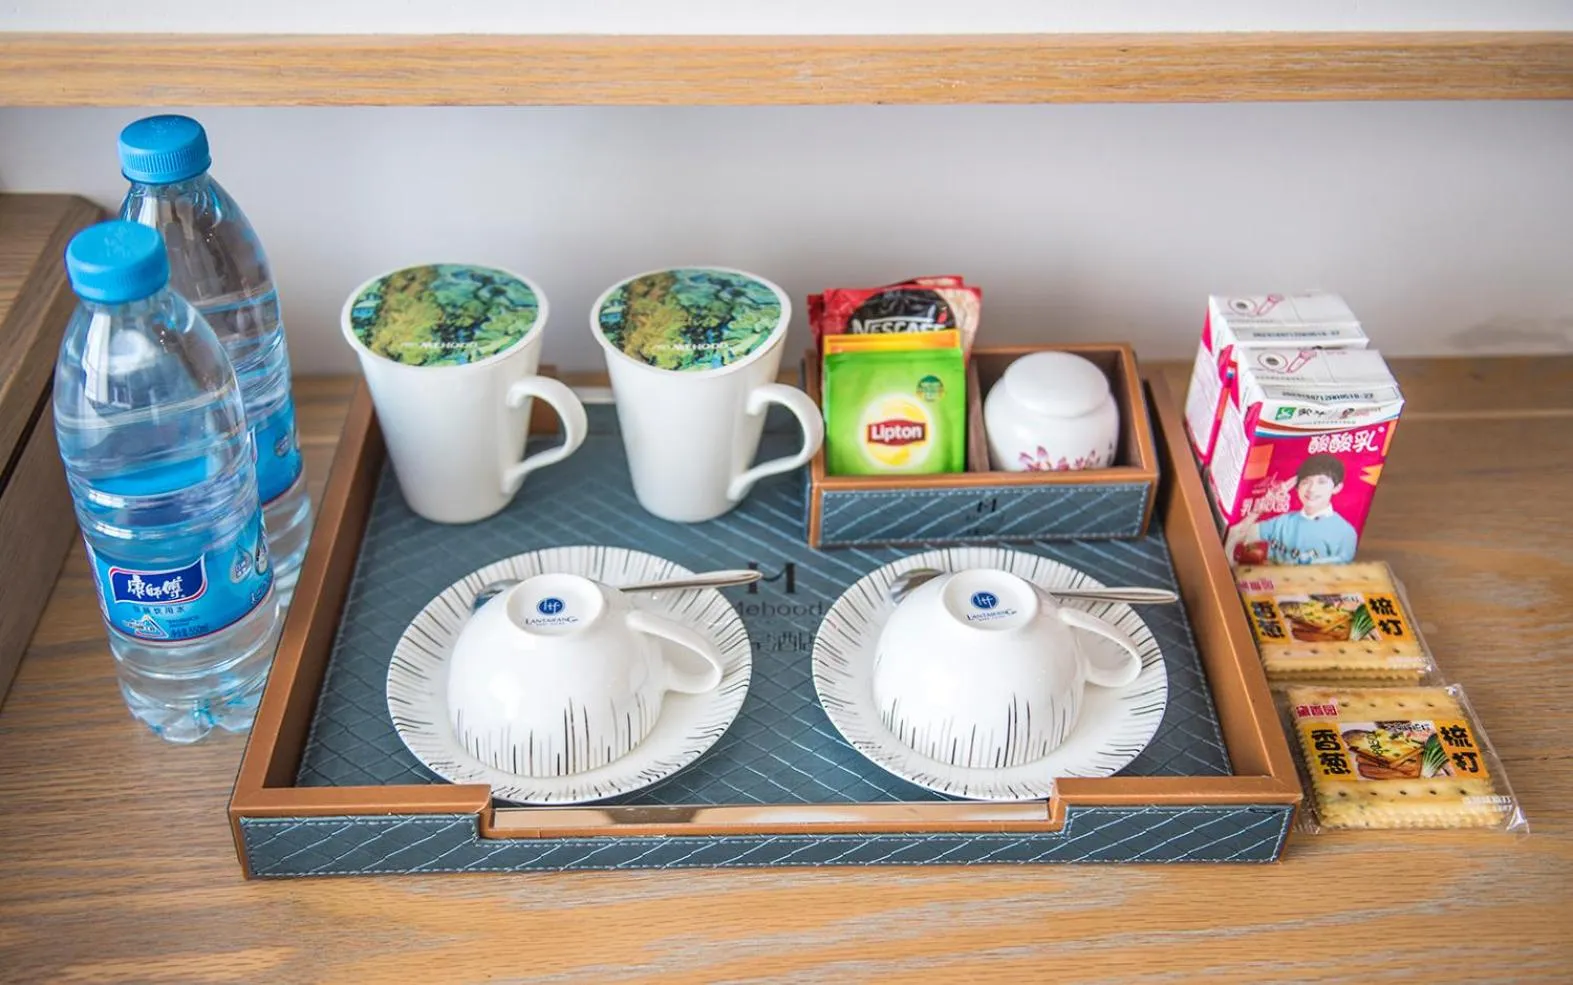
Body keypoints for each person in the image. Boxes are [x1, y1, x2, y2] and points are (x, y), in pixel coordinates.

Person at [1225, 453, 1358, 564]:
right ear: (1297, 486)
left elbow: (1339, 574)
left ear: (1336, 487)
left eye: (1321, 482)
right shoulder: (1282, 521)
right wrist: (1257, 512)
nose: (1312, 489)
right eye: (1306, 481)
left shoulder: (1344, 532)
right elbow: (1232, 537)